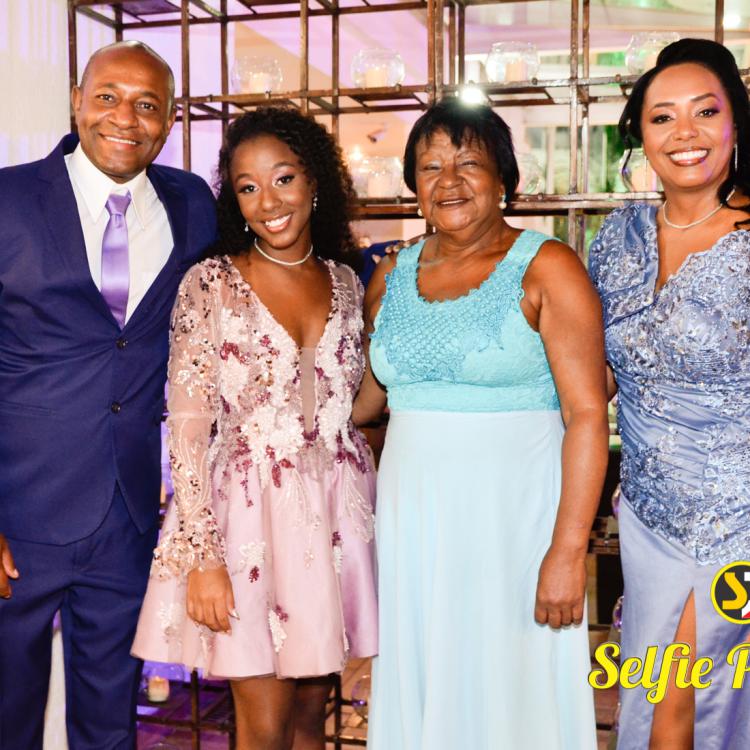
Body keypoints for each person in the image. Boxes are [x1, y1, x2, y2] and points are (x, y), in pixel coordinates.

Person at [353, 97, 608, 749]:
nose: (449, 181)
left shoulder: (548, 267)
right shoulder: (391, 274)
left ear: (504, 180)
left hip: (513, 529)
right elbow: (365, 404)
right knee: (425, 680)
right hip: (414, 529)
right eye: (430, 166)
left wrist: (567, 551)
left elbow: (586, 415)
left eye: (469, 163)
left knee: (509, 690)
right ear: (413, 186)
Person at [132, 107, 378, 749]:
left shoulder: (347, 283)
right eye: (247, 187)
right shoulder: (210, 284)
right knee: (262, 727)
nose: (268, 201)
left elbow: (344, 407)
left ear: (315, 181)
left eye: (283, 178)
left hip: (335, 518)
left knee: (309, 722)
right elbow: (187, 429)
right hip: (246, 521)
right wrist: (204, 558)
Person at [0, 40, 217, 748]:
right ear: (76, 101)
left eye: (147, 104)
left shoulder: (192, 204)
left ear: (170, 120)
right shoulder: (7, 199)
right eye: (107, 97)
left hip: (127, 517)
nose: (126, 117)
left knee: (111, 724)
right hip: (17, 517)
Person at [588, 38, 750, 750]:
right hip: (648, 516)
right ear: (641, 134)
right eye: (663, 117)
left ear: (735, 122)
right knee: (653, 702)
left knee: (693, 705)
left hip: (738, 518)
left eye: (705, 112)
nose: (685, 133)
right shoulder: (615, 238)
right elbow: (594, 379)